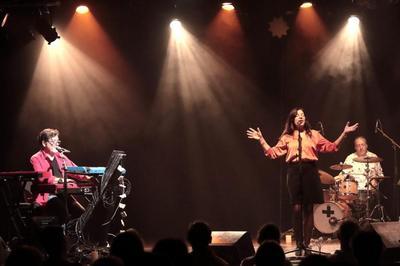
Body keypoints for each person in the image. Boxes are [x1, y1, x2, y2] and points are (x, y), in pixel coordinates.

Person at [247, 107, 358, 255]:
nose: (301, 117)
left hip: (310, 171)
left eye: (303, 115)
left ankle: (306, 245)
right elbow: (272, 153)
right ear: (292, 120)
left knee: (308, 210)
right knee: (297, 208)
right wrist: (261, 139)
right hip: (293, 171)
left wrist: (344, 133)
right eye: (297, 115)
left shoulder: (314, 135)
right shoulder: (287, 137)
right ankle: (299, 244)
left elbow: (331, 147)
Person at [30, 128, 89, 223]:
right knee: (62, 212)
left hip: (62, 194)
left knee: (82, 214)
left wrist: (89, 177)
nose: (56, 144)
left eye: (57, 141)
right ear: (44, 143)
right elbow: (42, 177)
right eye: (53, 141)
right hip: (47, 195)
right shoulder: (36, 158)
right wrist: (61, 180)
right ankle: (62, 235)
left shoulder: (61, 156)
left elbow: (75, 170)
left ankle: (74, 235)